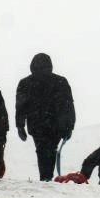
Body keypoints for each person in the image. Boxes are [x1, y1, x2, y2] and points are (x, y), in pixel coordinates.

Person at [15, 53, 76, 181]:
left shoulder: (25, 83)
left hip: (37, 125)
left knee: (42, 150)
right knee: (50, 149)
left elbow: (21, 107)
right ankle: (47, 177)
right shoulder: (61, 81)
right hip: (56, 125)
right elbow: (69, 105)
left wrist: (20, 126)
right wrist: (70, 126)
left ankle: (45, 177)